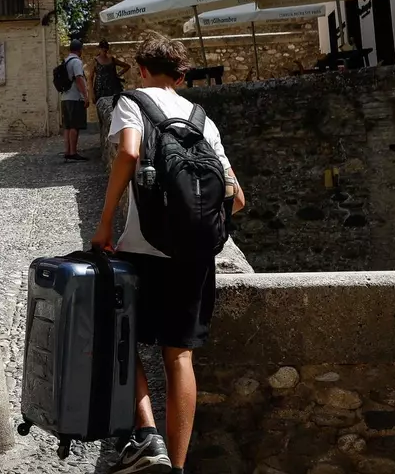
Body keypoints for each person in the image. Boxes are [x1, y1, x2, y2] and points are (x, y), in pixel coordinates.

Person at [93, 34, 246, 474]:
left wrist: (105, 221)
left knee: (118, 338)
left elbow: (128, 152)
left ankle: (147, 438)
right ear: (182, 75)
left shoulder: (132, 102)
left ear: (141, 69)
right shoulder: (203, 119)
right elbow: (236, 197)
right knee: (179, 356)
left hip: (144, 248)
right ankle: (175, 468)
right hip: (196, 254)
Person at [59, 40, 91, 162]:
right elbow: (79, 79)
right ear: (80, 50)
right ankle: (73, 152)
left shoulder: (65, 61)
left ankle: (67, 151)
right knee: (74, 126)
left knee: (67, 126)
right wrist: (85, 96)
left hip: (65, 97)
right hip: (75, 97)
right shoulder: (76, 62)